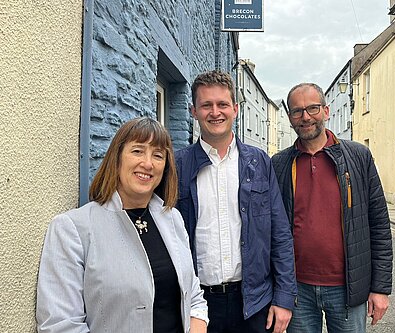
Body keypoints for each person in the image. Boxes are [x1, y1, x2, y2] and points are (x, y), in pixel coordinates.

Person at [36, 117, 208, 333]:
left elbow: (192, 295)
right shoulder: (73, 229)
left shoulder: (172, 218)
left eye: (158, 155)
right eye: (137, 151)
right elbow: (60, 325)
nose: (148, 163)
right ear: (116, 158)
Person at [175, 70, 297, 333]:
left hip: (254, 302)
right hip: (198, 304)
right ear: (193, 111)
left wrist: (284, 298)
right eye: (206, 105)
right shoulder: (178, 166)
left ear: (236, 109)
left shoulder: (259, 161)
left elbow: (280, 233)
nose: (215, 112)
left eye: (222, 104)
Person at [271, 83, 393, 333]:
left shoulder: (358, 156)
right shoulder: (279, 164)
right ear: (290, 118)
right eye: (297, 111)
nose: (305, 117)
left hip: (348, 287)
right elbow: (272, 229)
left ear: (326, 111)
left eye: (312, 108)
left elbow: (379, 224)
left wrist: (380, 288)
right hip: (297, 289)